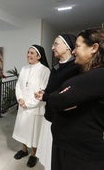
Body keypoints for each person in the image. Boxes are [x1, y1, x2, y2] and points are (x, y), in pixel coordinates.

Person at [46, 29, 104, 170]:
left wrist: (56, 96)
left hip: (79, 154)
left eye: (77, 46)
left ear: (94, 48)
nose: (73, 51)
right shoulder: (87, 73)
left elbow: (57, 100)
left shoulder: (98, 75)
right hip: (73, 148)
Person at [34, 34, 80, 170]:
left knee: (57, 159)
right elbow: (52, 90)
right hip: (49, 117)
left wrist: (47, 97)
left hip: (62, 122)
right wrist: (44, 93)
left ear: (68, 47)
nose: (52, 47)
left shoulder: (76, 69)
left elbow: (68, 98)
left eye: (56, 44)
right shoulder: (55, 68)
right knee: (47, 155)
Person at [12, 45, 50, 168]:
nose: (29, 55)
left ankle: (33, 154)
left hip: (35, 108)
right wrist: (20, 99)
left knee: (34, 133)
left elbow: (42, 91)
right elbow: (18, 85)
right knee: (23, 130)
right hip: (23, 106)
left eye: (32, 53)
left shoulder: (45, 71)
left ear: (39, 56)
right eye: (28, 52)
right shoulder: (24, 68)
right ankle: (23, 150)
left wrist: (28, 103)